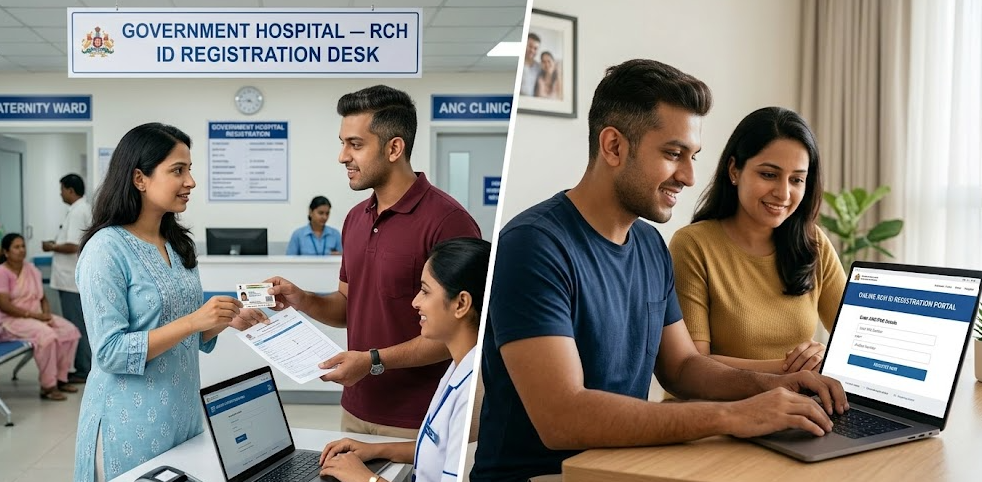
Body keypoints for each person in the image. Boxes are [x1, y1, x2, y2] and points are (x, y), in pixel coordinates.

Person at [471, 59, 848, 482]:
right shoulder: (532, 245)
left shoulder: (649, 244)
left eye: (693, 156)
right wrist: (732, 415)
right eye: (673, 154)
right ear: (613, 146)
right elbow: (562, 417)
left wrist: (774, 386)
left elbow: (682, 366)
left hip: (624, 466)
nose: (688, 176)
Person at [267, 85, 481, 439]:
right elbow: (349, 306)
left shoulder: (448, 222)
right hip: (355, 410)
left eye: (356, 144)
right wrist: (302, 299)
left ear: (394, 147)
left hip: (420, 419)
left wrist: (373, 361)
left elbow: (463, 333)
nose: (342, 156)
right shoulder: (355, 219)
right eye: (342, 142)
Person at [72, 123, 265, 481]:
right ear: (140, 178)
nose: (190, 181)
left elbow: (186, 333)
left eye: (189, 169)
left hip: (183, 416)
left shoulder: (176, 243)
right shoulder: (106, 250)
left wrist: (222, 319)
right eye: (178, 170)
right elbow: (110, 352)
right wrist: (194, 321)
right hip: (128, 423)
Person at [669, 107, 846, 374]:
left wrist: (823, 357)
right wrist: (792, 370)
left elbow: (855, 343)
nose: (783, 193)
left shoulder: (814, 244)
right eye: (769, 175)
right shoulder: (693, 245)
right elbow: (693, 365)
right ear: (734, 170)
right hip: (710, 409)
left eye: (797, 179)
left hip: (791, 409)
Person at [318, 237, 490, 482]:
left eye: (425, 291)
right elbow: (435, 447)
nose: (415, 302)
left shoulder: (471, 388)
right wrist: (377, 450)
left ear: (461, 303)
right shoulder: (459, 366)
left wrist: (365, 479)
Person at [0, 233, 81, 401]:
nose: (21, 250)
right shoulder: (2, 273)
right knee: (48, 336)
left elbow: (42, 298)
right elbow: (4, 305)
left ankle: (60, 379)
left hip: (36, 317)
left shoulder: (31, 270)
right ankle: (48, 385)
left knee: (70, 331)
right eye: (16, 247)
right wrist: (34, 315)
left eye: (23, 246)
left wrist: (45, 315)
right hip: (11, 321)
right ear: (5, 252)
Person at [42, 173, 92, 383]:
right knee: (78, 324)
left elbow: (73, 245)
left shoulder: (78, 211)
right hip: (70, 280)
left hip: (71, 281)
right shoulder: (79, 210)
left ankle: (83, 370)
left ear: (71, 190)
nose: (60, 193)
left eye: (62, 189)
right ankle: (84, 367)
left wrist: (51, 246)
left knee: (76, 326)